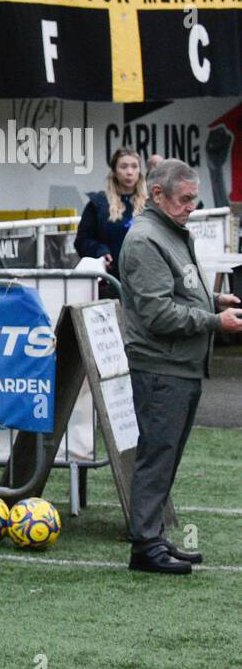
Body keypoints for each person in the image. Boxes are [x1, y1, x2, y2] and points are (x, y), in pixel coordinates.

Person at [120, 159, 242, 574]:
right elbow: (157, 314)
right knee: (157, 457)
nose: (192, 206)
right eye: (185, 198)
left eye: (194, 198)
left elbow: (176, 293)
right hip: (162, 367)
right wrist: (214, 321)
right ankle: (145, 547)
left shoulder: (168, 232)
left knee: (166, 457)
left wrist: (213, 302)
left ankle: (152, 538)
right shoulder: (145, 239)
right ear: (158, 195)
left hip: (179, 366)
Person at [75, 147, 146, 279]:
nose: (129, 172)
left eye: (134, 166)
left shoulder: (150, 204)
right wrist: (100, 251)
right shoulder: (98, 204)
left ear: (140, 171)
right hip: (112, 279)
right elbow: (82, 240)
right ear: (114, 171)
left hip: (145, 276)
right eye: (123, 167)